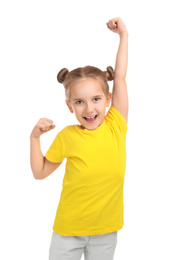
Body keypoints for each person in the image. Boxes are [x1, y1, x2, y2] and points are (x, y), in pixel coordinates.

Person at [30, 17, 128, 260]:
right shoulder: (67, 136)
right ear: (69, 106)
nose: (88, 109)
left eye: (96, 99)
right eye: (79, 102)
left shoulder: (116, 124)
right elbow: (40, 172)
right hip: (68, 232)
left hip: (106, 230)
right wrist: (34, 138)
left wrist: (123, 36)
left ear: (108, 99)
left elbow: (121, 78)